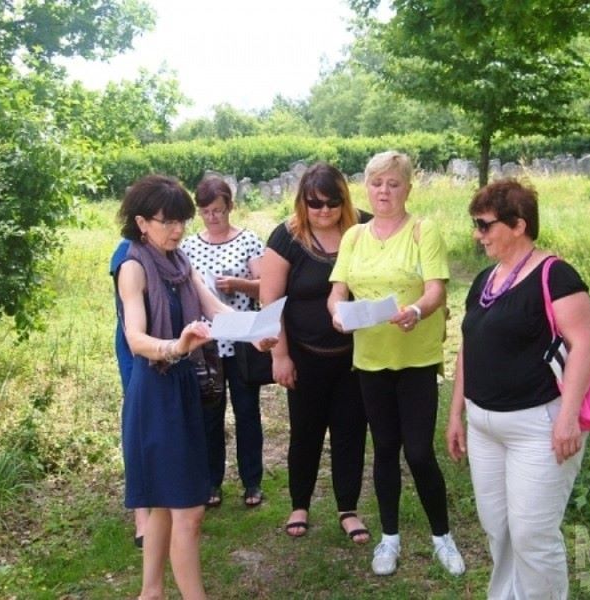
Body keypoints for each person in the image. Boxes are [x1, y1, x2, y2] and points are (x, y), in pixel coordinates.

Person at [113, 174, 276, 599]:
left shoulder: (181, 262)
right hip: (155, 393)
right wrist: (176, 345)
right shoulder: (132, 266)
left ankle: (151, 593)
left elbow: (216, 307)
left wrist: (253, 333)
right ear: (142, 222)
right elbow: (135, 338)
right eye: (168, 222)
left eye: (182, 221)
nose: (178, 229)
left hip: (185, 386)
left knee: (171, 503)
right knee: (189, 510)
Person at [446, 179, 590, 598]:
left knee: (532, 534)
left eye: (484, 225)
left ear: (518, 225)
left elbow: (584, 345)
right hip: (484, 425)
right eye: (475, 225)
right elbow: (468, 347)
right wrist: (457, 413)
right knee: (498, 529)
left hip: (539, 424)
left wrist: (568, 419)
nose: (477, 235)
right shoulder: (484, 280)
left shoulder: (557, 275)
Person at [328, 150, 465, 577]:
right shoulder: (353, 237)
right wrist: (337, 313)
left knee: (420, 452)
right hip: (370, 360)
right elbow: (337, 292)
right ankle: (390, 539)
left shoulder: (424, 230)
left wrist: (418, 312)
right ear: (365, 187)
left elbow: (436, 290)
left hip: (416, 358)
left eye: (393, 183)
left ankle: (442, 536)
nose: (384, 191)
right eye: (376, 183)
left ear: (407, 187)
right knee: (385, 448)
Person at [260, 162, 371, 544]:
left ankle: (348, 508)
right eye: (314, 203)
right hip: (305, 354)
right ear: (302, 202)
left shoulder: (364, 230)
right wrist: (280, 356)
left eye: (332, 202)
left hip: (355, 355)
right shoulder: (287, 237)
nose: (323, 210)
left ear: (345, 199)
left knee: (351, 432)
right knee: (305, 432)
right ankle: (300, 504)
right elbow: (270, 300)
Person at [182, 176, 265, 509]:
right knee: (209, 416)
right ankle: (211, 482)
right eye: (206, 212)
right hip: (207, 345)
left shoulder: (249, 241)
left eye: (218, 210)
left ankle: (252, 482)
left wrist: (239, 284)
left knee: (247, 413)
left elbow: (266, 286)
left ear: (230, 206)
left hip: (242, 341)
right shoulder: (188, 246)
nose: (213, 217)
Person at [109, 238, 150, 548]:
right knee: (139, 424)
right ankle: (142, 516)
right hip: (139, 352)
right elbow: (132, 325)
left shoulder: (176, 253)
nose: (176, 227)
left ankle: (168, 505)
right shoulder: (127, 255)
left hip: (175, 350)